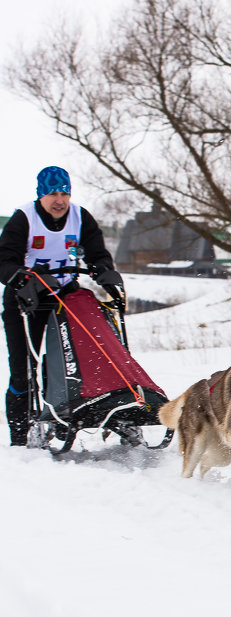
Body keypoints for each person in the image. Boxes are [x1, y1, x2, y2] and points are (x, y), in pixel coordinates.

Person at [0, 166, 122, 446]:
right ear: (40, 196)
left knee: (77, 359)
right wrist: (19, 277)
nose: (60, 200)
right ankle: (20, 437)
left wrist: (103, 270)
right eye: (53, 194)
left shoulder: (80, 217)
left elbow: (97, 252)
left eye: (65, 193)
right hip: (25, 298)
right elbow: (4, 259)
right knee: (22, 369)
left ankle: (69, 412)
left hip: (64, 296)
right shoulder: (24, 218)